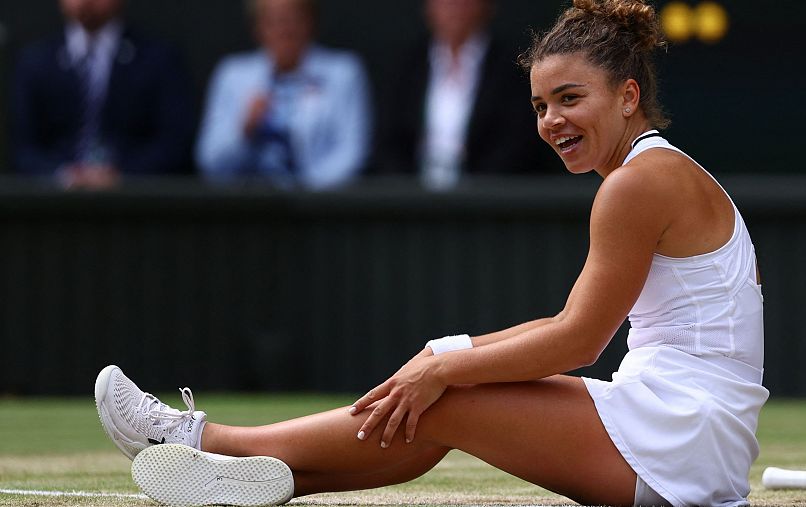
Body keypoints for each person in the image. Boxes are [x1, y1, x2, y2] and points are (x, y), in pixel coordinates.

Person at [94, 0, 768, 505]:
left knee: (446, 400)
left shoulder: (639, 183)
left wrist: (447, 369)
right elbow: (566, 326)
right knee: (442, 394)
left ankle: (207, 442)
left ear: (628, 97)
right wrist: (447, 356)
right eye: (539, 105)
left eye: (569, 98)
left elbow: (577, 339)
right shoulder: (653, 175)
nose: (550, 121)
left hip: (684, 441)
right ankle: (244, 478)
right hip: (689, 436)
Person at [11, 0, 195, 189]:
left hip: (136, 201)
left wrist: (121, 176)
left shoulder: (159, 59)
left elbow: (173, 144)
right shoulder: (35, 61)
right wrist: (64, 176)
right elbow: (23, 149)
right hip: (50, 202)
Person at [373, 0, 553, 190]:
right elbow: (388, 140)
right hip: (410, 201)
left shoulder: (513, 68)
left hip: (488, 199)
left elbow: (518, 141)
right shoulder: (406, 66)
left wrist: (474, 190)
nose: (454, 7)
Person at [195, 0, 372, 190]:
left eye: (293, 19)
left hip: (322, 205)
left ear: (311, 22)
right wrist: (244, 130)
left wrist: (303, 193)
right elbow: (210, 162)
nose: (285, 30)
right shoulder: (233, 75)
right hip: (248, 207)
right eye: (274, 21)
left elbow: (351, 153)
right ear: (257, 27)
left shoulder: (344, 72)